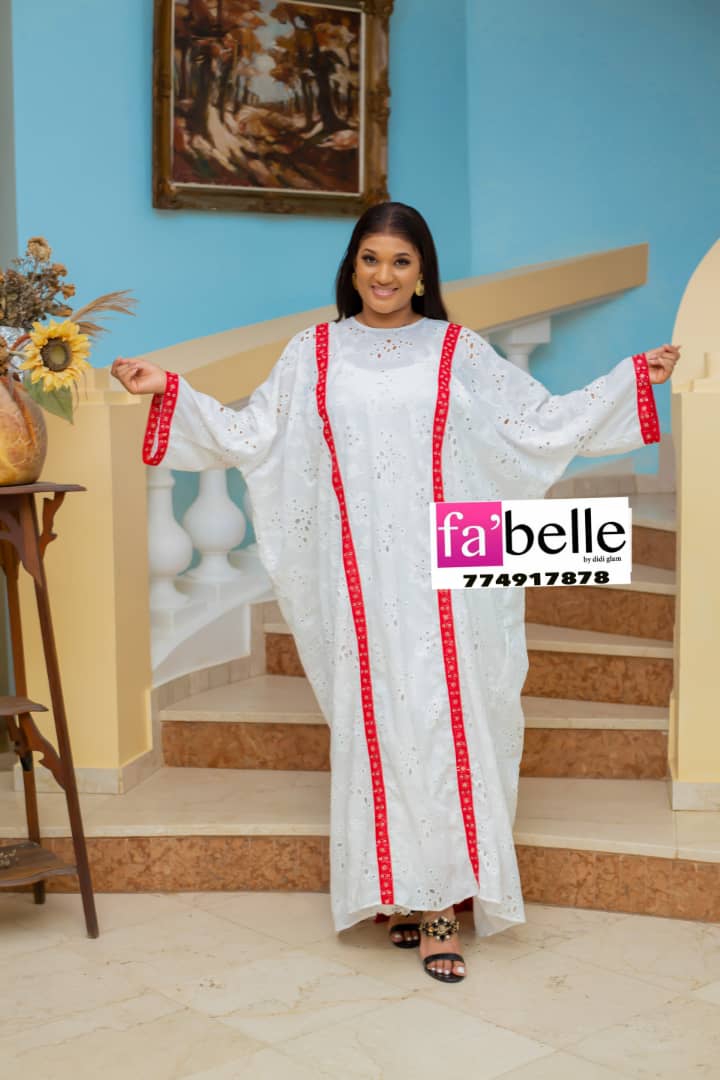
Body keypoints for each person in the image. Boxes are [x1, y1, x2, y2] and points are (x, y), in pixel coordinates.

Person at [112, 202, 679, 985]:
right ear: (352, 266)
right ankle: (401, 893)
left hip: (446, 578)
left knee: (442, 726)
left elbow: (536, 422)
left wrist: (630, 380)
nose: (384, 275)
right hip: (358, 582)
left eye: (401, 262)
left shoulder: (456, 350)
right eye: (371, 259)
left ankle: (442, 906)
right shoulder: (314, 353)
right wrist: (169, 390)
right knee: (378, 729)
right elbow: (253, 435)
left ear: (422, 273)